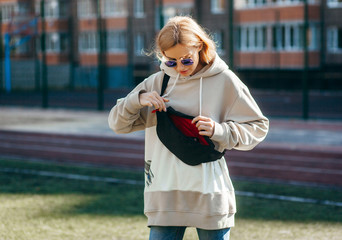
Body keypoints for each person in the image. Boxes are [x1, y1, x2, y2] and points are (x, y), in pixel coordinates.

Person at [108, 16, 269, 240]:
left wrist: (219, 131)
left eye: (186, 59)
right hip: (165, 192)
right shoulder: (157, 82)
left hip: (209, 193)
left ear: (200, 47)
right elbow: (117, 123)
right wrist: (138, 99)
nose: (179, 67)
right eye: (171, 61)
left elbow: (258, 127)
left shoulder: (225, 81)